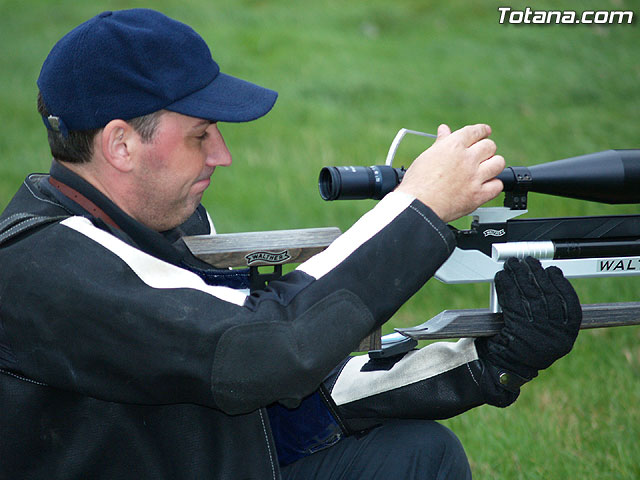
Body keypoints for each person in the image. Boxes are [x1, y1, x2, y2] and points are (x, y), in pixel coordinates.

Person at [0, 9, 582, 480]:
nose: (222, 154)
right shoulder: (43, 266)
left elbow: (287, 398)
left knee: (418, 456)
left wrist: (487, 362)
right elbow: (268, 347)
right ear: (121, 145)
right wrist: (418, 206)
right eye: (201, 134)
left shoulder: (161, 228)